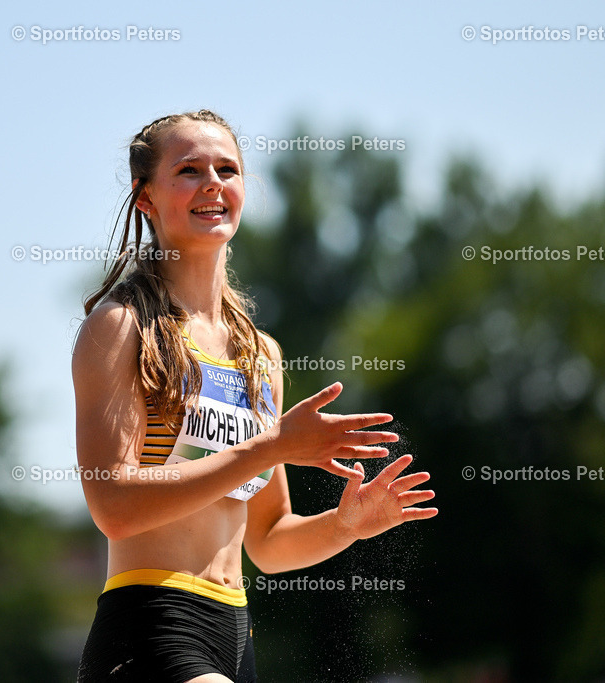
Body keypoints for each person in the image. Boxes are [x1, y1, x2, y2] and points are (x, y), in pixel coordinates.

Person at [72, 109, 437, 682]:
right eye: (189, 170)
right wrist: (269, 448)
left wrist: (345, 526)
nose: (212, 183)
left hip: (236, 637)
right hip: (149, 628)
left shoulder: (260, 355)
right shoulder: (121, 327)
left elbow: (267, 541)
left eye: (227, 169)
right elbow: (113, 507)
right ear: (145, 198)